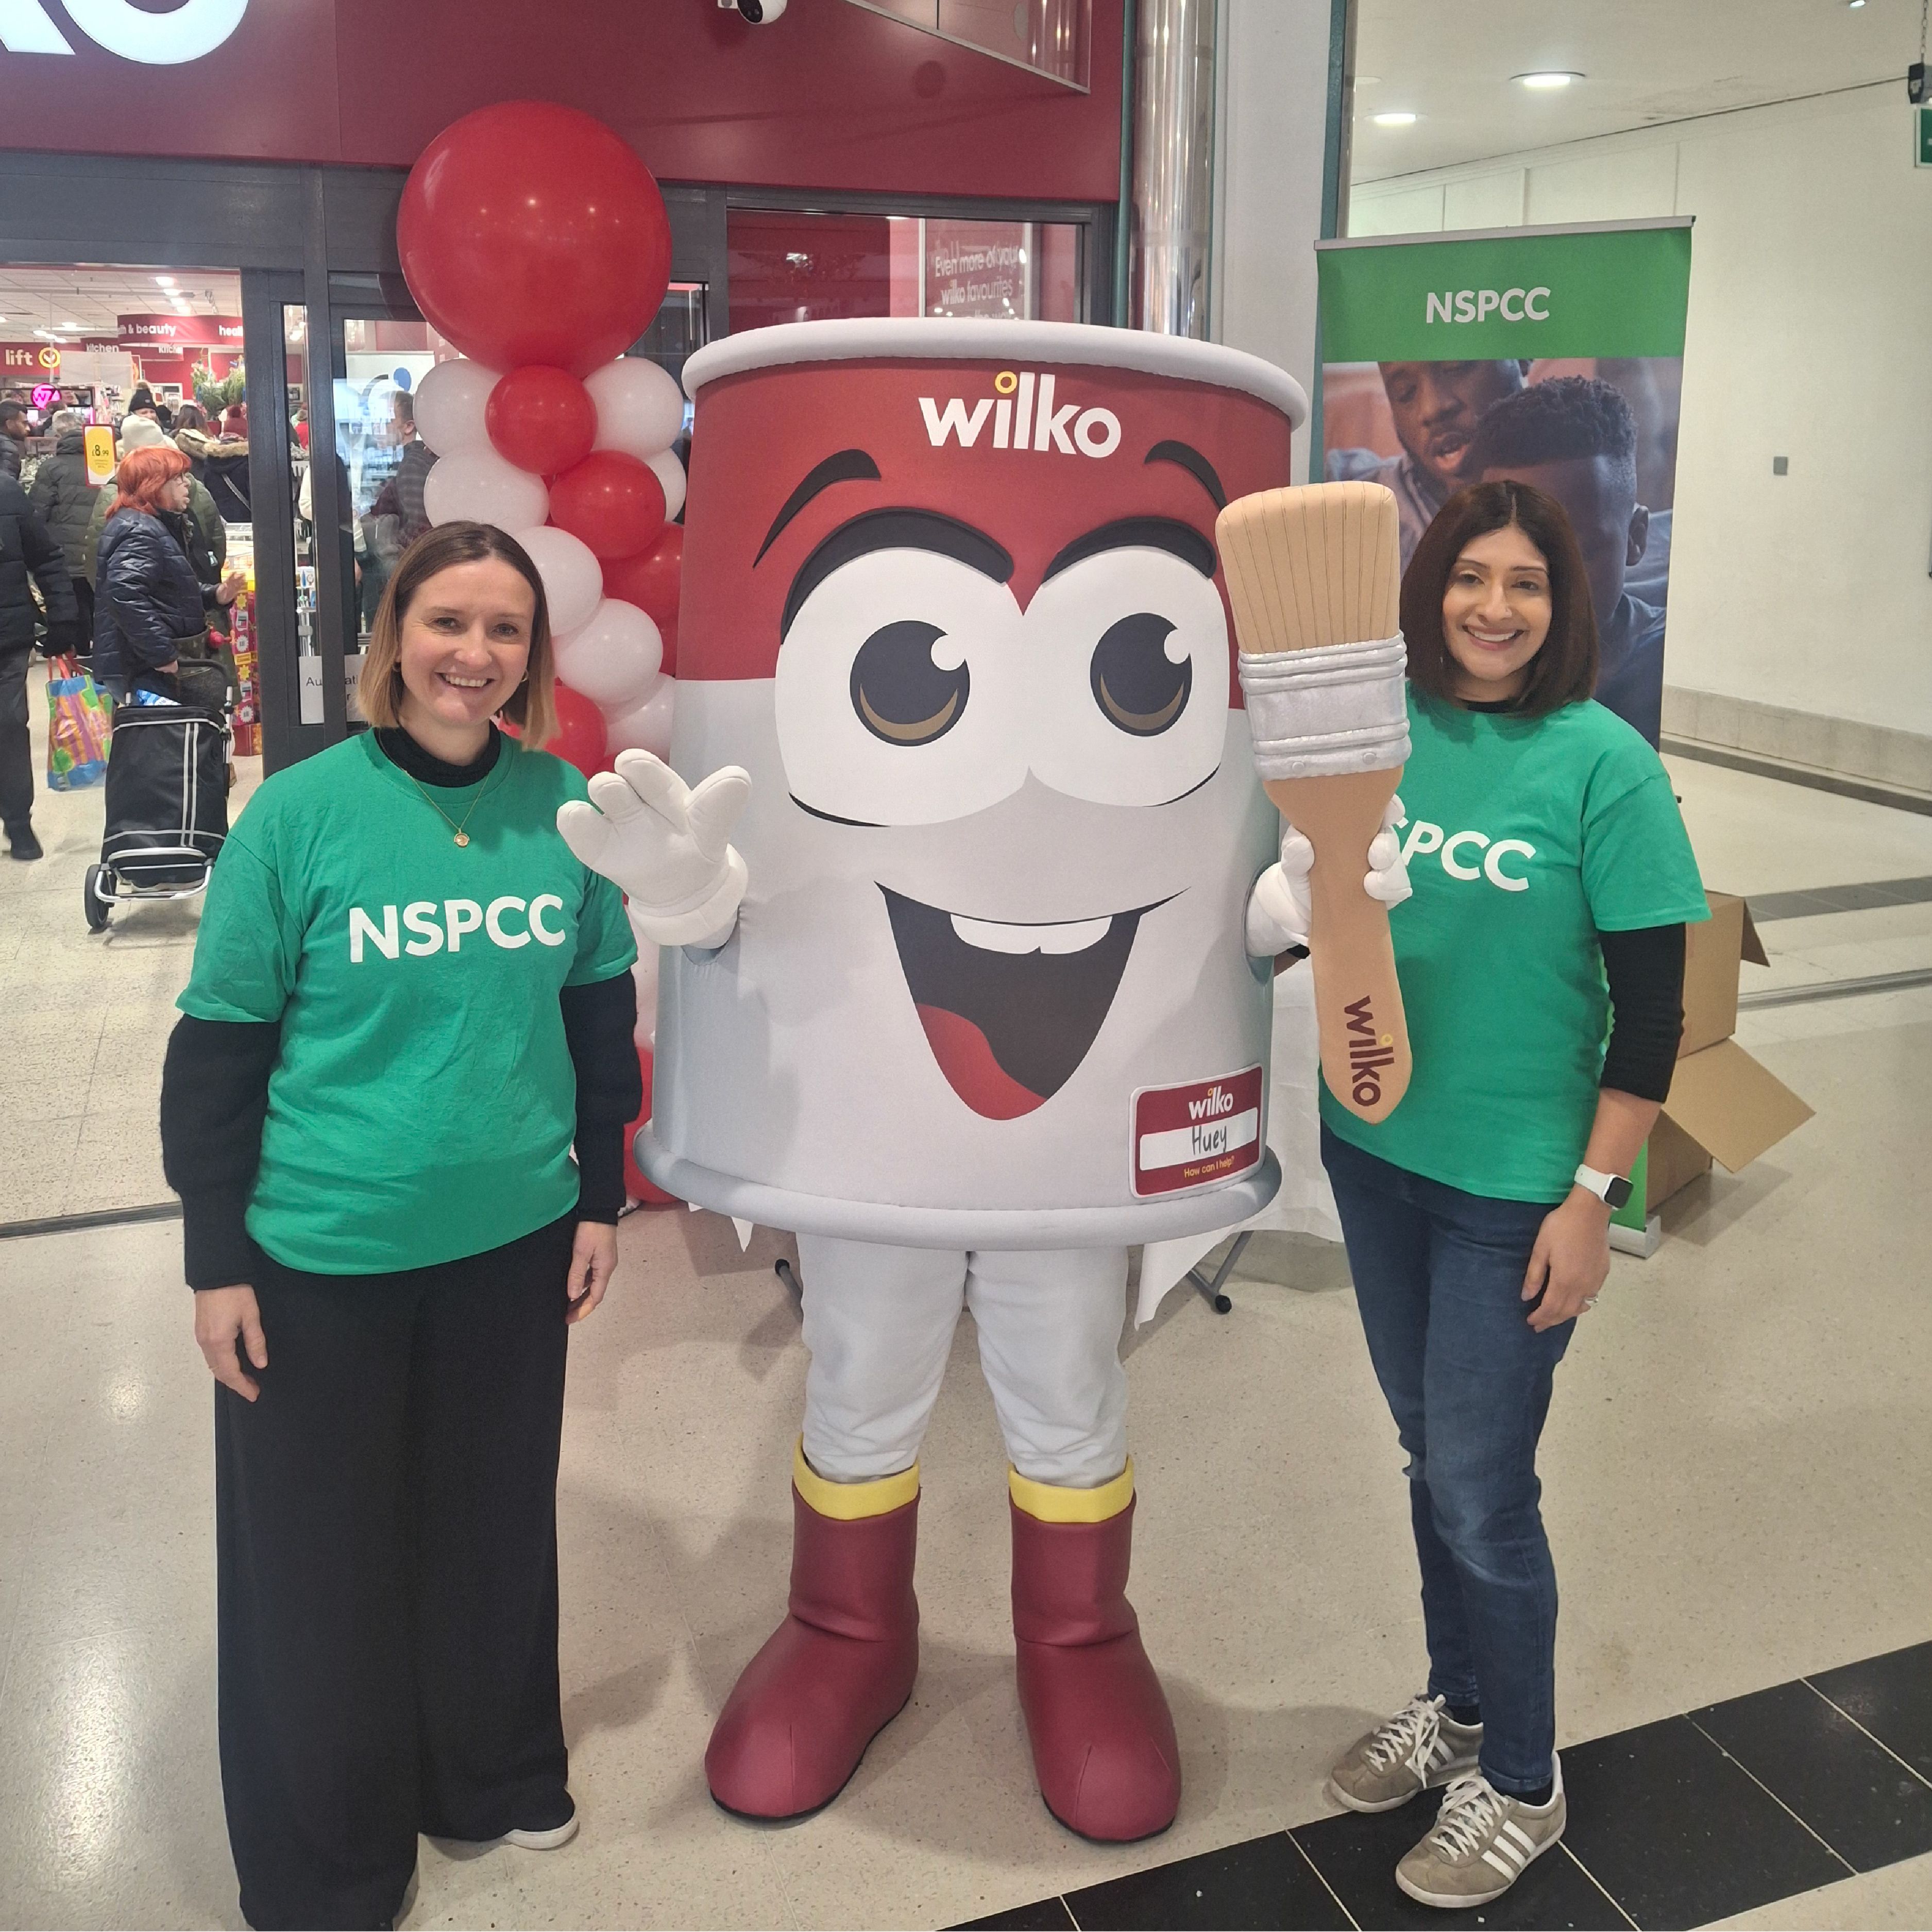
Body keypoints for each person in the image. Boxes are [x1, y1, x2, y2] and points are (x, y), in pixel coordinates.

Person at [157, 520, 641, 1931]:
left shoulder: (565, 808)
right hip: (322, 1257)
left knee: (490, 1530)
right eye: (447, 623)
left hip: (510, 1239)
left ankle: (489, 1771)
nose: (473, 656)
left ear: (533, 656)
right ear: (391, 637)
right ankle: (327, 1857)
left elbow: (594, 1012)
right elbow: (221, 1049)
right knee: (317, 1563)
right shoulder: (300, 815)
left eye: (504, 631)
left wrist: (599, 1190)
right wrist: (214, 1257)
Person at [1270, 479, 1707, 1910]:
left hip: (1514, 1191)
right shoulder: (1380, 740)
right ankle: (1452, 1705)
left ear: (1560, 605)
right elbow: (1313, 912)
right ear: (1429, 589)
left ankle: (1519, 1776)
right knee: (1426, 1456)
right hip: (1378, 1149)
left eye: (1523, 582)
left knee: (1477, 1484)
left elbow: (1651, 1014)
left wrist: (1593, 1191)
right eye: (1469, 576)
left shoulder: (1602, 765)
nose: (1492, 607)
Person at [1469, 376, 1667, 744]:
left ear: (1636, 538)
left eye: (1576, 554)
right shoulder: (1454, 668)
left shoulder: (1670, 669)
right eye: (1511, 561)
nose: (1543, 589)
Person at [1326, 361, 1527, 568]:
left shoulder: (1559, 483)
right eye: (1405, 391)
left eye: (1455, 367)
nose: (1432, 409)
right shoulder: (1346, 501)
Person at [92, 445, 242, 704]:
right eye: (178, 479)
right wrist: (161, 653)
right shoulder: (140, 530)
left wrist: (215, 594)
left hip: (144, 665)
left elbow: (167, 589)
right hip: (143, 670)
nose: (187, 485)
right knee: (163, 742)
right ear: (155, 485)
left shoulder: (150, 524)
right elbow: (124, 593)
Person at [0, 464, 81, 859]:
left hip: (7, 636)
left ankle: (18, 821)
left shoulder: (7, 493)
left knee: (9, 728)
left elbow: (46, 558)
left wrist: (63, 619)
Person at [26, 406, 100, 644]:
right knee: (97, 598)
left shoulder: (52, 468)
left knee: (75, 599)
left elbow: (37, 510)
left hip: (65, 548)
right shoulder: (103, 464)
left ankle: (80, 649)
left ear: (59, 437)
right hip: (99, 543)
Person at [204, 403, 252, 521]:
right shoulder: (248, 462)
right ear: (244, 437)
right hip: (247, 521)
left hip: (220, 521)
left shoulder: (210, 460)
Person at [0, 399, 29, 480]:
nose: (28, 429)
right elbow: (6, 484)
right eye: (24, 423)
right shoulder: (8, 448)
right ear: (9, 424)